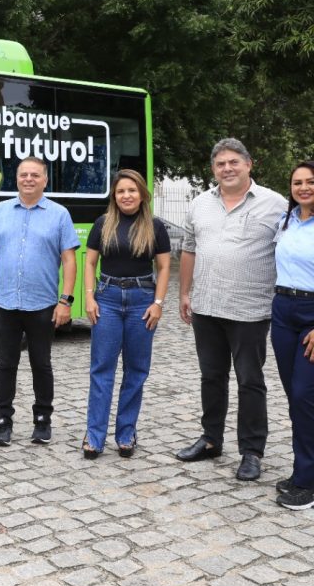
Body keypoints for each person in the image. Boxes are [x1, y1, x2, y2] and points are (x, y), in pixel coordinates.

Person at [177, 138, 286, 481]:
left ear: (249, 164)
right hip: (206, 306)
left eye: (233, 162)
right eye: (221, 164)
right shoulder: (199, 204)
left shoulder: (275, 204)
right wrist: (184, 293)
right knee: (211, 377)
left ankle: (252, 451)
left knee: (250, 381)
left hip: (250, 310)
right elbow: (189, 249)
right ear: (214, 169)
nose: (227, 168)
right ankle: (211, 439)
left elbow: (292, 250)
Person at [0, 156, 80, 447]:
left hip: (43, 305)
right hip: (6, 303)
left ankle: (42, 421)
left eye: (35, 175)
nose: (29, 179)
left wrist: (66, 301)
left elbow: (69, 261)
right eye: (23, 174)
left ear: (45, 180)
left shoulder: (59, 215)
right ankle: (3, 422)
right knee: (5, 364)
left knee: (41, 364)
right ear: (16, 179)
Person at [82, 169, 171, 459]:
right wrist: (89, 297)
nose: (126, 196)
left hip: (141, 301)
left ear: (142, 194)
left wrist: (158, 302)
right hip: (106, 299)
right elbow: (90, 262)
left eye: (131, 190)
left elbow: (165, 267)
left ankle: (126, 433)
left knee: (136, 371)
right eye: (121, 191)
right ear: (114, 196)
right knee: (101, 369)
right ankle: (94, 436)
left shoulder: (155, 227)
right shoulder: (103, 223)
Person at [270, 160, 314, 510]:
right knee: (295, 396)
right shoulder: (286, 222)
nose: (303, 187)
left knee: (304, 394)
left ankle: (307, 482)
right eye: (297, 182)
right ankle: (303, 470)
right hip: (284, 310)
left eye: (310, 181)